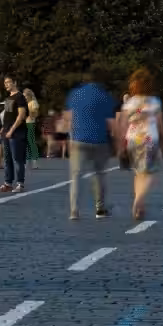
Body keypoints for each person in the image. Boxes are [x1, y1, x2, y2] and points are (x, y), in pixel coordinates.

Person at [65, 73, 117, 220]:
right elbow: (111, 123)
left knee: (76, 176)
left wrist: (71, 137)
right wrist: (117, 142)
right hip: (100, 141)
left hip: (78, 140)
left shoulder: (75, 94)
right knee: (99, 175)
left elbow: (69, 118)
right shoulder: (105, 95)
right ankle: (100, 209)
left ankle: (74, 211)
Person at [119, 69, 163, 221]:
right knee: (149, 173)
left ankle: (140, 204)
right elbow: (160, 124)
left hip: (133, 139)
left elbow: (122, 123)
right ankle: (138, 201)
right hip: (149, 139)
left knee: (138, 172)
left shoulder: (130, 102)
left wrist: (121, 143)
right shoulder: (154, 102)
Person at [0, 77, 29, 193]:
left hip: (16, 132)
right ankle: (8, 183)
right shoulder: (8, 98)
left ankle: (20, 184)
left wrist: (12, 130)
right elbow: (7, 116)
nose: (6, 84)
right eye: (5, 82)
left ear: (15, 82)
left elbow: (21, 115)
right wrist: (3, 129)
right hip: (6, 131)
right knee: (7, 159)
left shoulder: (20, 97)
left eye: (8, 82)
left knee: (17, 159)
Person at [23, 88, 42, 170]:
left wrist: (27, 111)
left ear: (29, 96)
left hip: (30, 123)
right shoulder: (24, 103)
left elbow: (35, 113)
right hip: (23, 124)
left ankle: (35, 160)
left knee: (31, 142)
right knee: (25, 143)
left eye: (26, 96)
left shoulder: (33, 102)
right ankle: (27, 160)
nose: (25, 98)